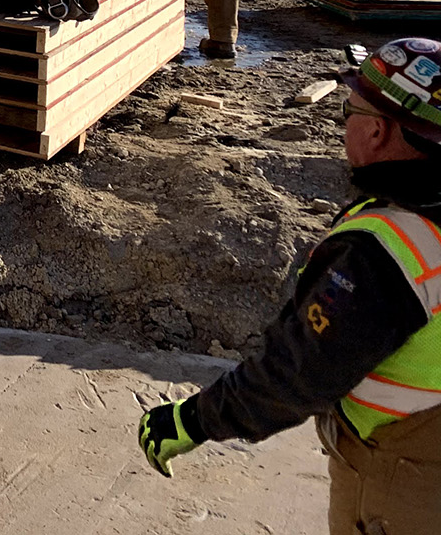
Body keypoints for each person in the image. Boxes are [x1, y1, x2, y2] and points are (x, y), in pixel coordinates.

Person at [137, 37, 441, 532]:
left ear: (378, 132)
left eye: (350, 110)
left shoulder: (387, 252)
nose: (344, 122)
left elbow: (300, 372)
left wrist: (196, 419)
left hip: (407, 485)